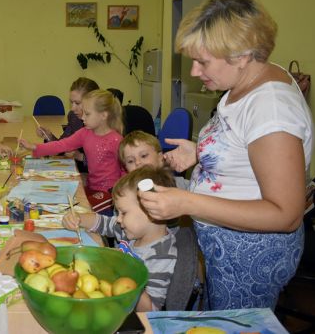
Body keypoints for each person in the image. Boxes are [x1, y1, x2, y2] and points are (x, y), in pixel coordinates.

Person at [138, 0, 314, 310]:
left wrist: (187, 201)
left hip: (250, 255)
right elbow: (243, 148)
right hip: (227, 249)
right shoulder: (245, 82)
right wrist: (202, 152)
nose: (194, 71)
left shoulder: (271, 108)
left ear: (241, 55)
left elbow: (286, 214)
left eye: (202, 61)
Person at [64, 166, 178, 311]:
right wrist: (76, 218)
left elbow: (149, 310)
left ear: (152, 212)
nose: (118, 219)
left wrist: (123, 271)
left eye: (123, 212)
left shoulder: (161, 256)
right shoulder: (131, 230)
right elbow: (101, 222)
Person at [21, 89, 124, 214]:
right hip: (92, 188)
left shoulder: (116, 140)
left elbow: (125, 171)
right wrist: (34, 147)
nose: (83, 117)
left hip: (109, 194)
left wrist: (121, 198)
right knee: (61, 204)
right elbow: (62, 145)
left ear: (104, 115)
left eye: (87, 114)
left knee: (79, 212)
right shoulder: (85, 133)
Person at [36, 77, 99, 172]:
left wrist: (80, 156)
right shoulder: (74, 117)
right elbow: (62, 146)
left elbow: (104, 163)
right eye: (71, 102)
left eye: (77, 103)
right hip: (76, 171)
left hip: (91, 177)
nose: (73, 108)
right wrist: (49, 136)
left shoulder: (101, 125)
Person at [120, 130, 189, 190]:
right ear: (126, 168)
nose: (137, 162)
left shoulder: (180, 186)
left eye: (143, 156)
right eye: (130, 161)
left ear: (160, 157)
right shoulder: (127, 194)